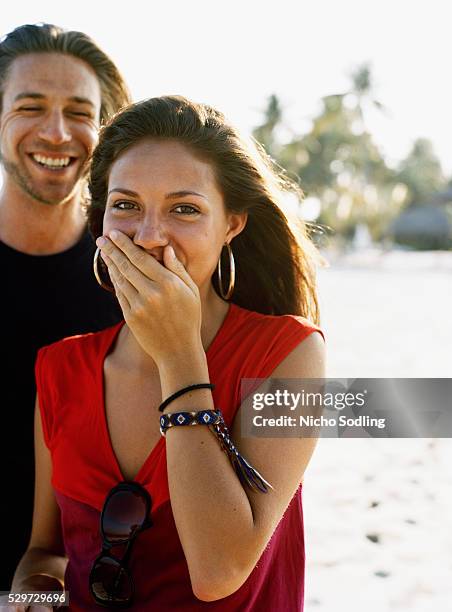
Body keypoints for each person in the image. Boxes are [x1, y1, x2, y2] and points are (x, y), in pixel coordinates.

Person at [12, 96, 326, 610]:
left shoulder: (290, 354)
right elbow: (45, 554)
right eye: (126, 205)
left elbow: (218, 571)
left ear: (232, 224)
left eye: (184, 209)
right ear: (101, 221)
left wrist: (178, 353)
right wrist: (31, 596)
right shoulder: (59, 367)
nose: (149, 236)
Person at [0, 23, 130, 588]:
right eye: (30, 106)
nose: (57, 132)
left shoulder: (133, 277)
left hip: (87, 585)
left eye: (79, 112)